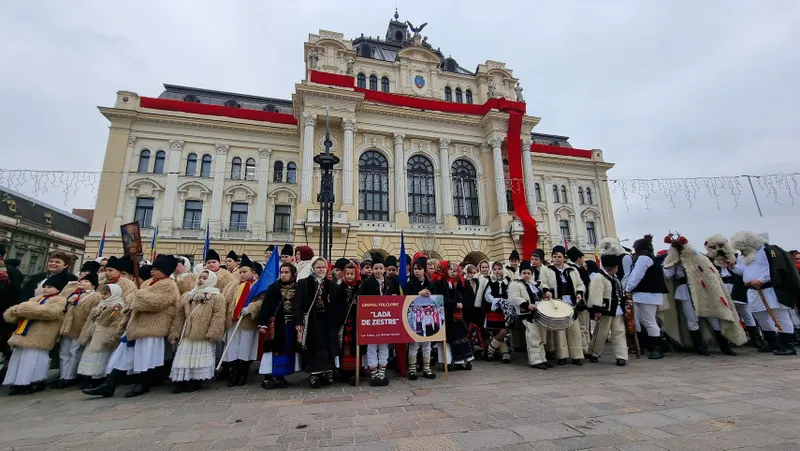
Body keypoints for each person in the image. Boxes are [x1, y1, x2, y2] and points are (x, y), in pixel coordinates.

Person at [83, 254, 180, 398]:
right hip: (135, 325)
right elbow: (132, 298)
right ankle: (109, 384)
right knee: (123, 355)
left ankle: (143, 383)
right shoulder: (148, 283)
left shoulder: (169, 285)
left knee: (145, 356)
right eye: (152, 268)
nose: (152, 271)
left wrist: (138, 297)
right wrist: (135, 299)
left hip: (151, 326)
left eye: (156, 269)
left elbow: (157, 302)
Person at [662, 234, 744, 356]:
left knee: (714, 318)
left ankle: (724, 346)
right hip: (685, 290)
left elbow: (710, 273)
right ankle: (699, 346)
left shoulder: (700, 258)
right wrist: (668, 265)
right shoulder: (674, 262)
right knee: (692, 319)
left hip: (704, 290)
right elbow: (667, 275)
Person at [730, 231, 799, 355]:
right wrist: (733, 267)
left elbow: (775, 268)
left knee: (780, 317)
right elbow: (743, 272)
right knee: (761, 317)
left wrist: (762, 280)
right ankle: (772, 343)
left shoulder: (767, 251)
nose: (741, 251)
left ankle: (787, 345)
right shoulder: (743, 257)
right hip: (753, 292)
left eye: (742, 248)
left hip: (770, 290)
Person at [2, 272, 70, 395]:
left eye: (50, 287)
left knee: (34, 359)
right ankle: (18, 382)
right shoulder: (35, 299)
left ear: (59, 288)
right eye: (45, 286)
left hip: (41, 335)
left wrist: (24, 310)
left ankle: (34, 381)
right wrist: (15, 311)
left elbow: (49, 313)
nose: (46, 289)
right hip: (24, 334)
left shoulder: (59, 300)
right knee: (19, 359)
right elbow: (15, 313)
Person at [705, 234, 767, 349]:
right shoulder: (709, 260)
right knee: (728, 314)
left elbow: (741, 271)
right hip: (721, 287)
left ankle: (755, 338)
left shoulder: (737, 257)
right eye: (714, 247)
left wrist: (732, 266)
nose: (718, 249)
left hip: (736, 286)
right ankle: (733, 337)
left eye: (720, 246)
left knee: (746, 313)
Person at [169, 269, 226, 393]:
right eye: (200, 277)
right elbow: (180, 316)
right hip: (187, 334)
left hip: (203, 335)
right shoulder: (188, 295)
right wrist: (175, 333)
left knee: (199, 359)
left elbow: (218, 316)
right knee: (183, 358)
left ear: (211, 280)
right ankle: (181, 381)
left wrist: (213, 333)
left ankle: (195, 381)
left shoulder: (216, 296)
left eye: (205, 278)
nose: (201, 280)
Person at [220, 254, 263, 386]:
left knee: (245, 348)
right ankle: (233, 374)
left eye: (245, 272)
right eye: (240, 272)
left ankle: (243, 374)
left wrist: (251, 308)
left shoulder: (257, 286)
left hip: (247, 322)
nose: (242, 275)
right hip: (233, 321)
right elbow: (225, 300)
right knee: (232, 347)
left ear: (253, 272)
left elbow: (262, 300)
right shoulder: (232, 285)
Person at [294, 257, 337, 388]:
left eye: (323, 267)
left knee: (326, 347)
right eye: (318, 267)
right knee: (313, 347)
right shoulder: (304, 283)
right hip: (312, 321)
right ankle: (314, 374)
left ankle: (325, 372)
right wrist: (299, 321)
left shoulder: (330, 284)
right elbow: (298, 304)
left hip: (326, 320)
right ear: (313, 268)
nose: (321, 270)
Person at [624, 235, 669, 359]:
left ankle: (657, 348)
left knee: (649, 321)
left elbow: (636, 276)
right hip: (647, 294)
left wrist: (628, 289)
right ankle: (651, 344)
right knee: (642, 321)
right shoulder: (652, 259)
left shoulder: (644, 259)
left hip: (646, 294)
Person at [359, 254, 401, 386]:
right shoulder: (366, 283)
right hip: (371, 321)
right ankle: (373, 372)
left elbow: (395, 298)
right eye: (375, 268)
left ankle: (382, 371)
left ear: (384, 269)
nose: (378, 271)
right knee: (371, 346)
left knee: (384, 345)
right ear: (372, 269)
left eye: (380, 268)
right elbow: (360, 300)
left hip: (385, 320)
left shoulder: (389, 282)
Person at [540, 246, 585, 366]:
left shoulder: (572, 270)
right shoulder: (547, 270)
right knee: (560, 330)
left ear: (564, 258)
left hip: (571, 301)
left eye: (559, 257)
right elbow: (543, 282)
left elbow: (580, 284)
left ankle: (577, 355)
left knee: (574, 329)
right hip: (557, 302)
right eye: (554, 257)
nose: (557, 259)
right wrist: (546, 291)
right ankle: (562, 355)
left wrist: (579, 293)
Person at [55, 272, 102, 389]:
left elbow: (93, 312)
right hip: (67, 327)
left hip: (80, 327)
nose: (82, 282)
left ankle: (71, 375)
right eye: (81, 281)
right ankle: (63, 375)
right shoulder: (73, 293)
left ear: (93, 286)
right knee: (64, 352)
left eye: (86, 281)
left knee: (75, 351)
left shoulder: (95, 296)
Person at [258, 262, 300, 389]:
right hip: (275, 325)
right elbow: (265, 307)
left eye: (287, 272)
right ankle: (268, 378)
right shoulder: (273, 287)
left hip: (290, 325)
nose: (284, 275)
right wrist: (263, 323)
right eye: (282, 272)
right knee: (272, 351)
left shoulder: (298, 288)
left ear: (293, 274)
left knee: (285, 351)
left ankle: (281, 377)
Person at [587, 238, 629, 366]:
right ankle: (594, 352)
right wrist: (597, 309)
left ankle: (621, 355)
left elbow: (618, 291)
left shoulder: (615, 278)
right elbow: (596, 294)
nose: (617, 269)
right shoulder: (599, 278)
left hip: (617, 309)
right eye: (616, 267)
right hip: (605, 310)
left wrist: (625, 300)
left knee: (619, 332)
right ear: (612, 267)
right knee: (601, 333)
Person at [76, 284, 126, 389]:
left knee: (101, 356)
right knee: (91, 355)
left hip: (104, 335)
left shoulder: (117, 306)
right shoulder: (101, 304)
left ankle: (98, 378)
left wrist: (110, 333)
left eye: (106, 294)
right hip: (94, 334)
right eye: (102, 294)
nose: (103, 296)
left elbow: (115, 320)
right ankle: (90, 377)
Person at [432, 261, 474, 370]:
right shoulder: (438, 282)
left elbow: (458, 295)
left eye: (454, 271)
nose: (452, 272)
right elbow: (440, 298)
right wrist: (454, 304)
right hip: (445, 314)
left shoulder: (453, 282)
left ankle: (462, 360)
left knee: (459, 336)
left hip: (455, 314)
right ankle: (447, 361)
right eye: (450, 270)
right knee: (445, 339)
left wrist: (460, 303)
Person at [508, 260, 550, 369]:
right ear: (520, 273)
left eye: (528, 273)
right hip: (527, 313)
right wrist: (526, 305)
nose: (526, 275)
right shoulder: (516, 284)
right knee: (534, 336)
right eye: (524, 273)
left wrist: (545, 296)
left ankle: (542, 358)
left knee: (541, 336)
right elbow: (514, 298)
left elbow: (538, 295)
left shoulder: (534, 284)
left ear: (532, 274)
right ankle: (535, 360)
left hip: (538, 312)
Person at [406, 258, 436, 380]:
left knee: (426, 344)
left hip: (428, 318)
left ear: (424, 270)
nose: (417, 271)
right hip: (415, 319)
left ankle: (427, 369)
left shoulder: (430, 284)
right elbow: (406, 299)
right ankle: (412, 369)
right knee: (414, 344)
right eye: (415, 269)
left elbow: (436, 299)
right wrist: (419, 294)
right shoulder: (410, 284)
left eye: (419, 269)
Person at [333, 262, 361, 385]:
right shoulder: (340, 287)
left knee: (355, 345)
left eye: (352, 274)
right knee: (343, 345)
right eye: (347, 274)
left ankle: (355, 371)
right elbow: (336, 303)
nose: (349, 276)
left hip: (356, 321)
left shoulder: (360, 287)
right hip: (343, 321)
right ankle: (343, 370)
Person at [483, 261, 514, 363]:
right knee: (498, 331)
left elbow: (511, 292)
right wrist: (496, 301)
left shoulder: (508, 280)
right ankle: (504, 353)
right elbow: (487, 295)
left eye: (499, 269)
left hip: (505, 308)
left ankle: (490, 350)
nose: (497, 271)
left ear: (502, 269)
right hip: (494, 308)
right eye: (495, 269)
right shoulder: (490, 281)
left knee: (504, 330)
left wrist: (506, 301)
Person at [566, 247, 592, 356]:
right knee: (581, 325)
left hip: (585, 298)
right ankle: (584, 348)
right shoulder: (572, 270)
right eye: (582, 257)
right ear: (577, 258)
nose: (584, 260)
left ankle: (587, 346)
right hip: (578, 299)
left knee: (585, 325)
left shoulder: (581, 268)